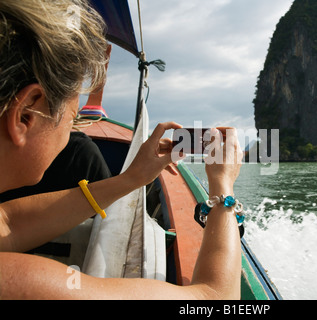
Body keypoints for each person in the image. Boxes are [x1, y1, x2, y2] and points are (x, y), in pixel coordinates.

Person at [0, 0, 243, 300]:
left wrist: (131, 179)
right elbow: (214, 299)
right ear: (26, 114)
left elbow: (9, 223)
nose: (74, 131)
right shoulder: (17, 282)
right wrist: (223, 186)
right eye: (73, 117)